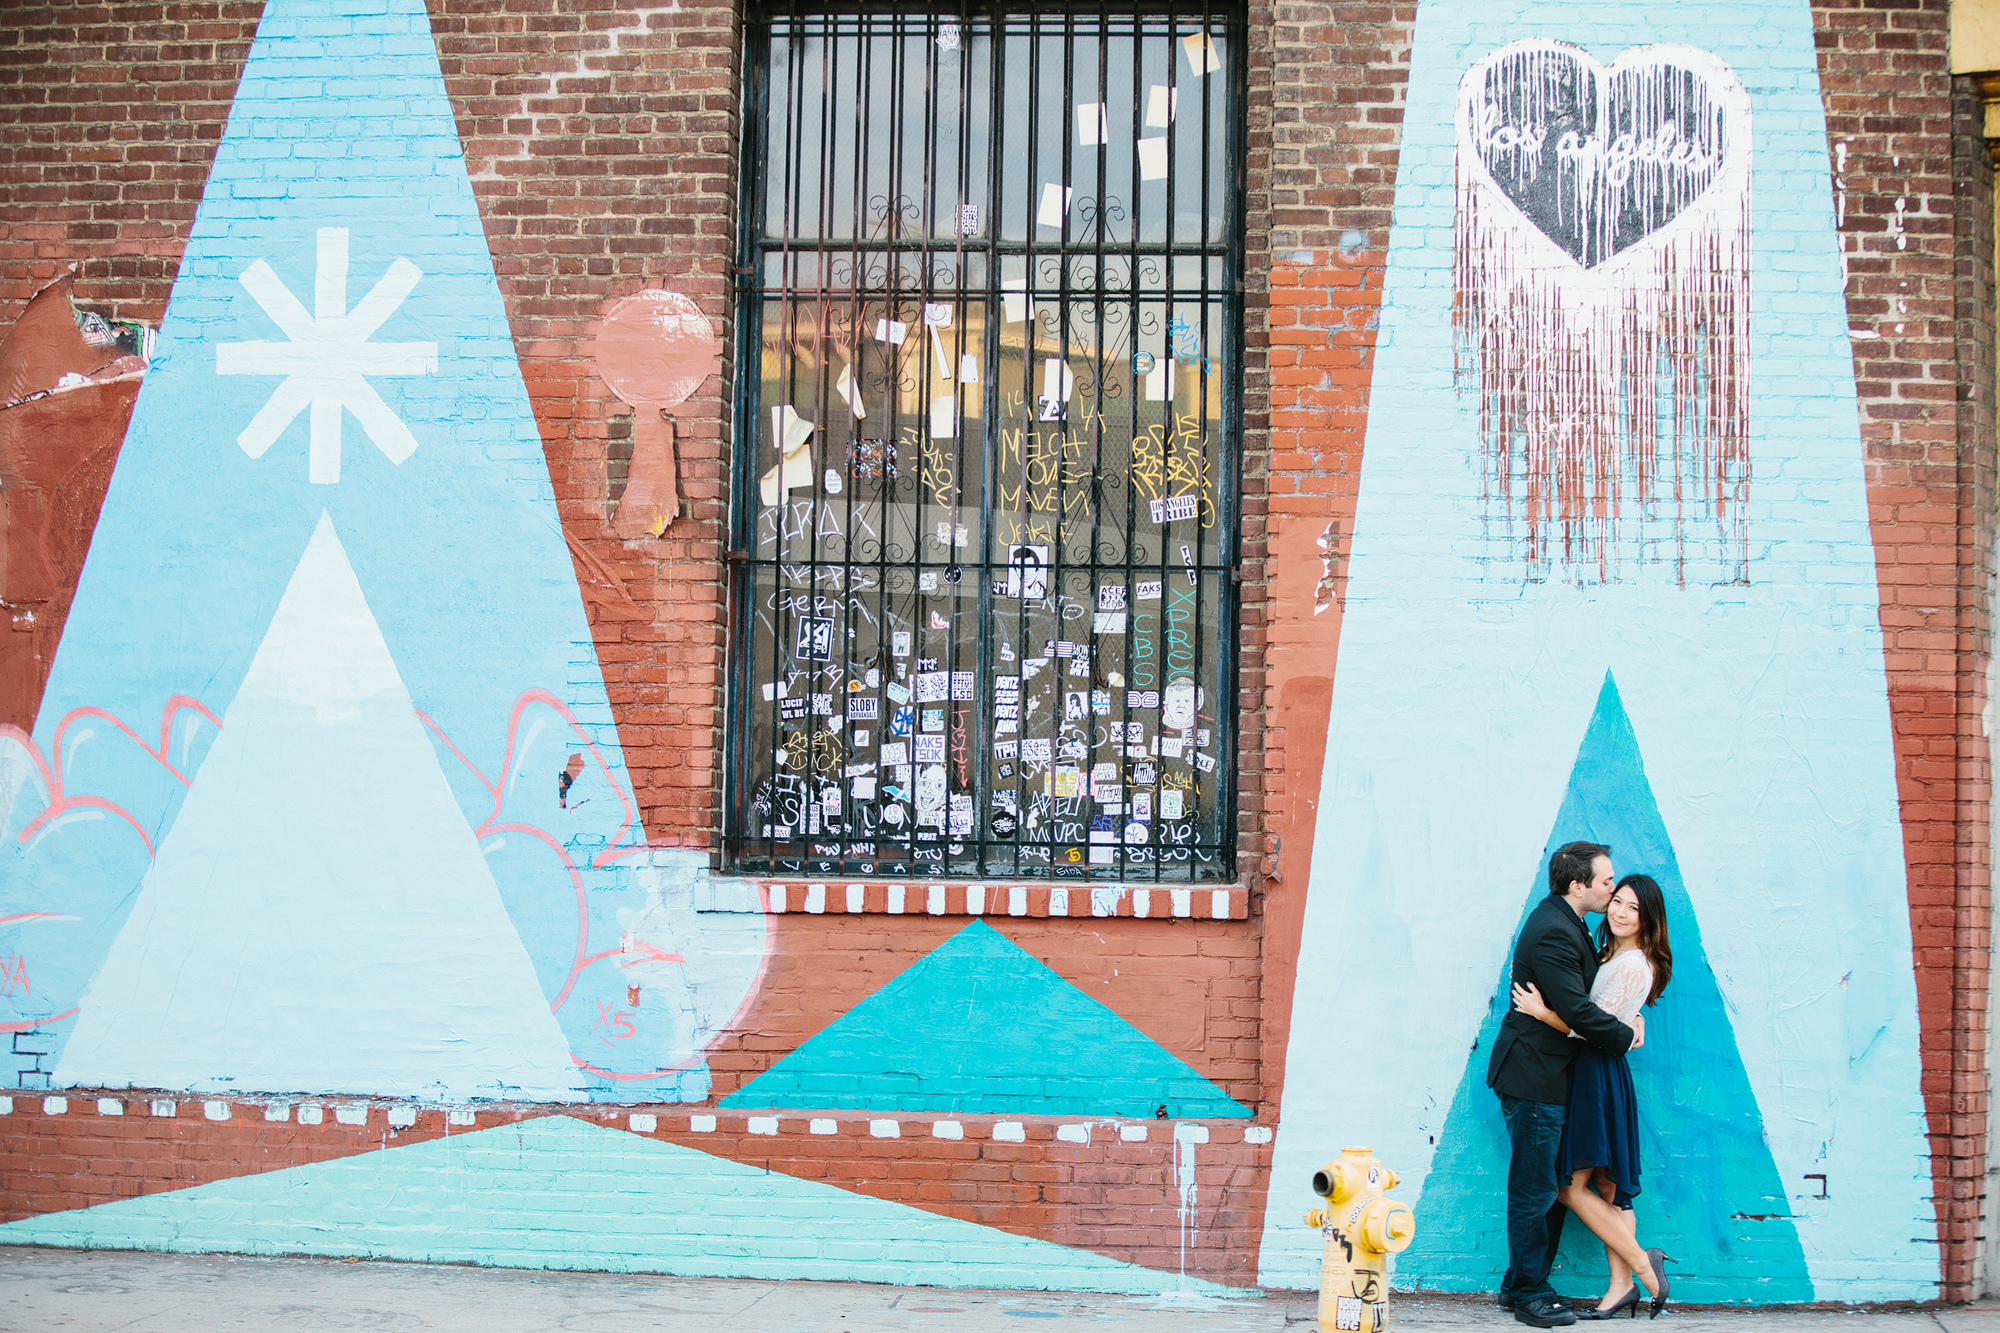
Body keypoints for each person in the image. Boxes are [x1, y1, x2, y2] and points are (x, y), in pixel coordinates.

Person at [1486, 842, 1643, 1328]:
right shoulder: (1555, 930)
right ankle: (1531, 1294)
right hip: (1535, 1075)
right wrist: (1625, 1036)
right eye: (1605, 881)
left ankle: (1519, 1286)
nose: (1612, 888)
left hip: (1549, 1075)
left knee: (1546, 1186)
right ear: (1578, 886)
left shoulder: (1564, 921)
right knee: (1535, 1191)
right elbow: (1576, 1009)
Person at [1512, 874, 1676, 1319]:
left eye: (1632, 908)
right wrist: (1632, 1022)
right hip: (1597, 1069)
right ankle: (1621, 1286)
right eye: (1617, 901)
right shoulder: (1611, 953)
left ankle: (1644, 1266)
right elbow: (1614, 1014)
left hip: (1595, 1072)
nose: (1620, 912)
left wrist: (1544, 1012)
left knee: (1569, 1187)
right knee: (1608, 1187)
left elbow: (1588, 1024)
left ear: (1649, 919)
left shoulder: (1633, 963)